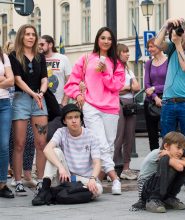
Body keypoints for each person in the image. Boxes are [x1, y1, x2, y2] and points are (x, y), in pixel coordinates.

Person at [64, 27, 125, 195]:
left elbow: (117, 86)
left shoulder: (117, 63)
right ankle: (115, 179)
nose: (106, 41)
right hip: (91, 106)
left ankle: (97, 176)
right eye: (103, 38)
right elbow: (71, 83)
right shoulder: (85, 58)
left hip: (111, 107)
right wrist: (77, 94)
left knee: (109, 145)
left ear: (112, 42)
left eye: (109, 39)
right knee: (100, 143)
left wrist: (105, 72)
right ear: (97, 39)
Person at [154, 18, 185, 191]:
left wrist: (178, 44)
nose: (179, 34)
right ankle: (164, 176)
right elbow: (156, 43)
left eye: (182, 30)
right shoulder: (171, 46)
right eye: (177, 31)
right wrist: (165, 24)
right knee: (167, 141)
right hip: (168, 102)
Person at [32, 104, 103, 205]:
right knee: (55, 151)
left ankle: (55, 194)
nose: (74, 121)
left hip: (84, 179)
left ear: (81, 119)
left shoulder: (91, 135)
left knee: (98, 189)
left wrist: (92, 179)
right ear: (64, 121)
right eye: (70, 118)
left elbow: (97, 162)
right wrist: (61, 168)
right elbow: (47, 150)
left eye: (76, 117)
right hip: (66, 177)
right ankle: (45, 190)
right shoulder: (61, 132)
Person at [8, 24, 48, 196]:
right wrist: (34, 93)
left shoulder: (40, 57)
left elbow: (44, 78)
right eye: (27, 34)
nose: (31, 37)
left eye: (33, 34)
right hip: (21, 99)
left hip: (39, 100)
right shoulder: (14, 56)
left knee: (41, 143)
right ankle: (18, 181)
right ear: (21, 37)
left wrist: (41, 92)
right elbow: (17, 79)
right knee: (19, 143)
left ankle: (40, 181)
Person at [130, 131, 185, 213]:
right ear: (166, 146)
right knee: (170, 164)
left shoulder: (173, 153)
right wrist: (175, 159)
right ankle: (154, 199)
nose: (181, 152)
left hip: (157, 184)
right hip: (146, 188)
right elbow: (179, 167)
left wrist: (180, 160)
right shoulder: (159, 153)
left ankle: (169, 198)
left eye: (183, 149)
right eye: (178, 148)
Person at [3, 40, 37, 188]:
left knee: (29, 140)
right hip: (8, 104)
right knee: (11, 142)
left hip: (18, 105)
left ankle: (27, 173)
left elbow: (11, 81)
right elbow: (8, 80)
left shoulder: (16, 60)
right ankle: (11, 173)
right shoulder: (7, 59)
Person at [113, 43, 140, 180]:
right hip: (118, 103)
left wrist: (126, 88)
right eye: (125, 52)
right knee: (118, 136)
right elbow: (114, 88)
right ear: (118, 53)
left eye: (128, 52)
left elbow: (138, 86)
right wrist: (130, 87)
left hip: (130, 104)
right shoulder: (113, 68)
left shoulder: (128, 69)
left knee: (129, 136)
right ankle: (112, 168)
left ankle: (126, 167)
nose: (128, 54)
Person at [38, 35, 72, 141]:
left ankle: (56, 157)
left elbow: (70, 81)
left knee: (55, 136)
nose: (40, 47)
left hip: (58, 104)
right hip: (41, 105)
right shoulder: (37, 59)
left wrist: (64, 101)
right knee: (41, 136)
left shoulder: (63, 58)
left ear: (50, 44)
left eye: (42, 44)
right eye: (39, 44)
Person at [144, 37, 168, 151]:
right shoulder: (148, 63)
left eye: (152, 46)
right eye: (148, 46)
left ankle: (166, 158)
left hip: (167, 101)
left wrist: (155, 88)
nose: (149, 49)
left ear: (160, 46)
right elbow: (146, 84)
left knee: (167, 133)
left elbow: (170, 83)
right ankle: (154, 160)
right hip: (150, 102)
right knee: (152, 135)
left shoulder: (169, 62)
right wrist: (155, 97)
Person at [0, 45, 15, 198]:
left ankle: (2, 184)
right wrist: (3, 79)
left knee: (4, 145)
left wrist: (6, 79)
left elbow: (11, 82)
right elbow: (7, 79)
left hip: (4, 104)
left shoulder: (3, 56)